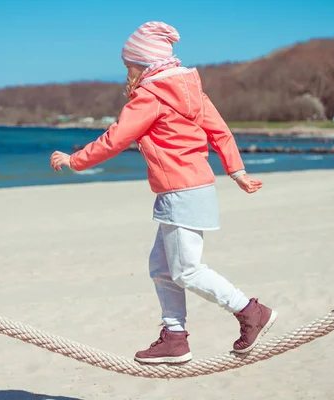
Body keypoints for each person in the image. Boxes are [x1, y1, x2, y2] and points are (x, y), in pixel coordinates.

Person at [50, 21, 277, 364]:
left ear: (143, 64)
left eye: (129, 67)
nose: (126, 74)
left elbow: (116, 138)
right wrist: (237, 171)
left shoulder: (150, 97)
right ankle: (174, 337)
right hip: (191, 188)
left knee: (186, 269)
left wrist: (74, 160)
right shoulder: (190, 91)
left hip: (180, 191)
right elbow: (220, 131)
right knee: (161, 266)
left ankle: (250, 312)